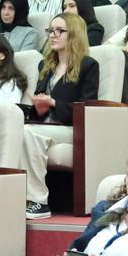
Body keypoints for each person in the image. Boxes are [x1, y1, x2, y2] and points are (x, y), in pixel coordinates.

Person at [22, 13, 100, 219]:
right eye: (50, 30)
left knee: (27, 132)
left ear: (74, 34)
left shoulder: (88, 66)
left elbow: (88, 109)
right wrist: (39, 105)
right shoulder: (45, 65)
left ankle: (39, 202)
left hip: (73, 128)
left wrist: (54, 103)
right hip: (47, 125)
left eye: (59, 31)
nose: (52, 35)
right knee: (18, 131)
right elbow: (40, 113)